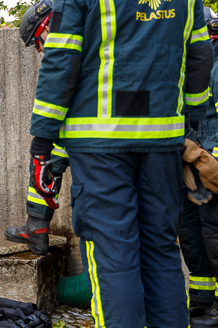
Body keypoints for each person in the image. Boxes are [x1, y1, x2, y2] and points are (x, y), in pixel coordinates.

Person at [27, 0, 212, 326]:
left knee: (113, 257)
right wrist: (190, 126)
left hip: (101, 143)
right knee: (161, 252)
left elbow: (62, 59)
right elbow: (199, 58)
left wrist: (42, 140)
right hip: (163, 141)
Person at [4, 0, 70, 256]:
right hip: (87, 131)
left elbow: (54, 98)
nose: (39, 49)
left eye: (37, 42)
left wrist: (42, 144)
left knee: (44, 161)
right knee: (48, 163)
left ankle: (37, 229)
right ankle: (36, 229)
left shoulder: (64, 53)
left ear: (47, 26)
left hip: (92, 137)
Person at [182, 8, 218, 328]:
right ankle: (203, 300)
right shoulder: (187, 64)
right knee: (192, 235)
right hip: (190, 162)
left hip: (209, 163)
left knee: (215, 234)